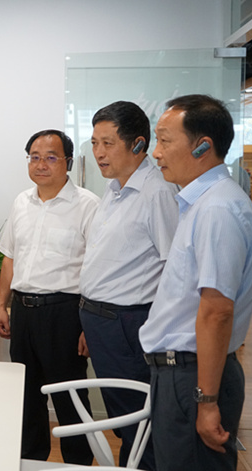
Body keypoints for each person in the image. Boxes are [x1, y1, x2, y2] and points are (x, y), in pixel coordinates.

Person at [138, 94, 252, 471]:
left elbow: (217, 311)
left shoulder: (217, 209)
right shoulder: (201, 203)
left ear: (203, 146)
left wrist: (206, 402)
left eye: (165, 140)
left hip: (194, 377)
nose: (156, 153)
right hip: (182, 374)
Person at [79, 101, 178, 469]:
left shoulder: (157, 193)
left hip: (130, 323)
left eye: (108, 143)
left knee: (139, 420)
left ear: (138, 144)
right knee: (124, 419)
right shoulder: (115, 189)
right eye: (94, 143)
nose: (99, 153)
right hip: (102, 321)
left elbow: (174, 268)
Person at [0, 129, 99, 464]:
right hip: (24, 312)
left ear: (68, 162)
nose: (41, 164)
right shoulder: (21, 203)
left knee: (70, 399)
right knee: (26, 397)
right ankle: (30, 461)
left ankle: (78, 465)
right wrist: (1, 305)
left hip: (65, 313)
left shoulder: (88, 205)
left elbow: (97, 268)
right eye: (35, 157)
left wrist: (89, 325)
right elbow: (10, 257)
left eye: (51, 157)